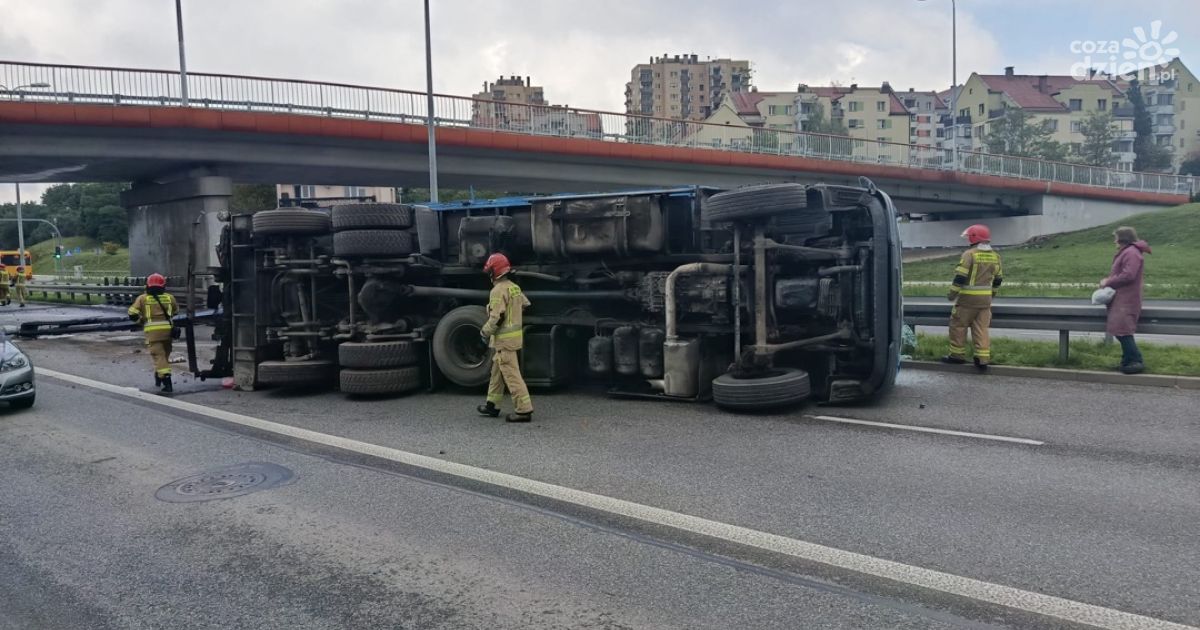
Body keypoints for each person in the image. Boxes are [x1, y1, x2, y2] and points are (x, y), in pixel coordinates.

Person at [476, 253, 534, 422]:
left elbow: (496, 317)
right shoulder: (514, 287)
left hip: (504, 340)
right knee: (497, 372)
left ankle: (524, 410)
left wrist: (484, 332)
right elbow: (525, 305)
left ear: (494, 272)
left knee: (511, 375)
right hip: (512, 339)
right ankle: (492, 405)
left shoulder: (497, 291)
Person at [941, 224, 1003, 371]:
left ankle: (957, 356)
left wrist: (952, 294)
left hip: (967, 300)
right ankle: (982, 359)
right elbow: (998, 279)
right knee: (981, 328)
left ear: (973, 237)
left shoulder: (969, 254)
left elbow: (960, 277)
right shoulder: (996, 256)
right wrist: (992, 294)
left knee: (958, 326)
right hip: (985, 301)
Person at [1100, 226, 1150, 375]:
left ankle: (1136, 361)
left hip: (1127, 298)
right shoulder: (1129, 252)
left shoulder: (1131, 253)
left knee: (1123, 330)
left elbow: (1128, 275)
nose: (1114, 241)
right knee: (1120, 329)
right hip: (1123, 297)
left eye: (1115, 237)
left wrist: (1108, 282)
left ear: (1122, 239)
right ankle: (1127, 361)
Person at [128, 273, 178, 392]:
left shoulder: (143, 298)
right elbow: (176, 311)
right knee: (164, 356)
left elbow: (132, 313)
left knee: (159, 356)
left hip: (153, 334)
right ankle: (159, 376)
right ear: (163, 286)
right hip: (168, 332)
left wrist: (140, 321)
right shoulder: (170, 297)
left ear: (148, 286)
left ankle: (167, 382)